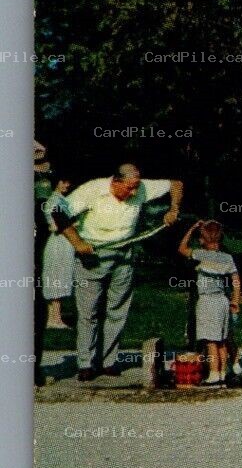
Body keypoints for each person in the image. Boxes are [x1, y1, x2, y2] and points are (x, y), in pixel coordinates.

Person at [57, 163, 184, 380]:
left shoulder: (140, 187)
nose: (135, 192)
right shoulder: (93, 189)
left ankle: (109, 361)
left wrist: (173, 209)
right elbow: (58, 211)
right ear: (116, 181)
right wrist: (77, 242)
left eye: (136, 187)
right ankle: (85, 364)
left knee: (117, 310)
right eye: (129, 188)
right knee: (89, 312)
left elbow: (176, 184)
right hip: (93, 256)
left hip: (124, 255)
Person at [179, 220, 241, 386]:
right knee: (222, 340)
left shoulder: (201, 254)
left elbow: (182, 248)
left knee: (210, 341)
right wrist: (235, 299)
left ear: (202, 240)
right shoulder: (227, 258)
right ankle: (222, 373)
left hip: (207, 301)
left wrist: (191, 228)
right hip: (222, 300)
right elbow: (235, 279)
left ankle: (213, 373)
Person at [40, 177, 76, 331]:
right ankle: (54, 318)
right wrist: (73, 225)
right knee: (56, 278)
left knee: (59, 278)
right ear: (57, 183)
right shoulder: (54, 201)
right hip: (58, 242)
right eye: (63, 182)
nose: (67, 184)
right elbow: (54, 226)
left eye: (68, 182)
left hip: (63, 242)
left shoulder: (61, 200)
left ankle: (55, 318)